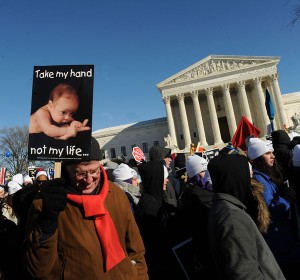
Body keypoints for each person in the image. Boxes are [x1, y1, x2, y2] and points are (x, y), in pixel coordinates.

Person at [23, 137, 149, 279]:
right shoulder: (45, 203)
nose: (89, 180)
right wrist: (47, 223)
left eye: (95, 171)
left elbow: (136, 251)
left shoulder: (116, 195)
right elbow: (37, 269)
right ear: (68, 170)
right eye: (81, 173)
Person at [207, 153, 286, 280]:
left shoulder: (224, 208)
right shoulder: (232, 218)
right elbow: (246, 273)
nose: (251, 179)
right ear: (237, 177)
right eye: (247, 175)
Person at [247, 137, 300, 279]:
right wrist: (286, 198)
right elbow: (270, 209)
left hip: (283, 235)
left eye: (272, 152)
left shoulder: (266, 176)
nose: (273, 156)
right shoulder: (259, 180)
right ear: (258, 158)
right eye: (267, 153)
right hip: (278, 240)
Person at [180, 154, 215, 279]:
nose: (206, 174)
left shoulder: (210, 190)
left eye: (207, 171)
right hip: (207, 250)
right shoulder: (193, 196)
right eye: (202, 171)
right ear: (195, 175)